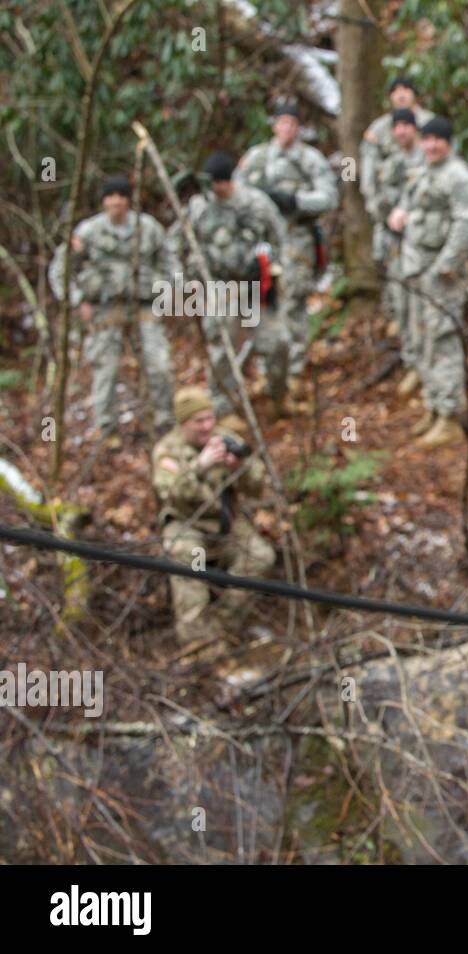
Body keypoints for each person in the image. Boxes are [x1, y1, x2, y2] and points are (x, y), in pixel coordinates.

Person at [49, 175, 176, 441]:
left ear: (129, 200)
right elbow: (60, 270)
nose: (116, 202)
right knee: (105, 370)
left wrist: (170, 291)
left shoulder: (148, 228)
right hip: (104, 309)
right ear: (104, 201)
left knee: (159, 364)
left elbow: (169, 261)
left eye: (121, 196)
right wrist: (77, 300)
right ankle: (107, 429)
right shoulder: (88, 232)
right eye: (111, 196)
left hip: (144, 306)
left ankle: (163, 422)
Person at [151, 386, 274, 650]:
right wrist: (200, 466)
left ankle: (222, 625)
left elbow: (257, 485)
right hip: (188, 524)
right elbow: (172, 492)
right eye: (199, 421)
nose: (207, 426)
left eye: (210, 418)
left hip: (225, 524)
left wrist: (238, 468)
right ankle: (197, 643)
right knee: (188, 559)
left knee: (260, 556)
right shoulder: (168, 450)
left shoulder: (225, 439)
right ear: (184, 423)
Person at [172, 152, 290, 417]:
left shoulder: (256, 203)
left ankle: (279, 396)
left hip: (255, 288)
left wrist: (274, 267)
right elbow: (174, 244)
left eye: (217, 183)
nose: (213, 189)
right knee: (222, 350)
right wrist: (182, 282)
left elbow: (280, 237)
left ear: (227, 181)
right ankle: (223, 410)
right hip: (219, 289)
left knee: (278, 342)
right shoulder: (198, 207)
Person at [387, 116, 468, 449]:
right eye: (427, 139)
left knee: (443, 340)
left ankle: (450, 416)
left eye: (438, 140)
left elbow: (467, 223)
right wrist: (399, 214)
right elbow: (411, 206)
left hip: (440, 273)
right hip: (416, 269)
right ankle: (434, 405)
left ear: (449, 142)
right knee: (422, 339)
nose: (431, 145)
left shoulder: (458, 175)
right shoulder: (424, 171)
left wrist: (446, 265)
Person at [235, 101, 338, 394]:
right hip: (262, 242)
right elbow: (236, 191)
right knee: (263, 302)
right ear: (274, 125)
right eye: (282, 123)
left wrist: (295, 201)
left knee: (294, 300)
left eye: (292, 124)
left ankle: (293, 368)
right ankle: (269, 370)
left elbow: (329, 196)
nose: (286, 129)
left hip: (297, 236)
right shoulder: (257, 157)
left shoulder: (309, 159)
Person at [363, 108, 426, 395]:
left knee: (420, 308)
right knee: (401, 305)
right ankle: (411, 361)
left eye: (407, 125)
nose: (401, 131)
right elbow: (373, 192)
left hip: (421, 245)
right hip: (391, 242)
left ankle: (424, 367)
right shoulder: (389, 161)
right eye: (397, 126)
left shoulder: (427, 158)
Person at [359, 76, 433, 224]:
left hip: (424, 204)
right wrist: (370, 200)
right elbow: (356, 161)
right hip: (388, 201)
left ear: (414, 93)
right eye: (395, 91)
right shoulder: (379, 127)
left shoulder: (430, 122)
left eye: (405, 89)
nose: (401, 95)